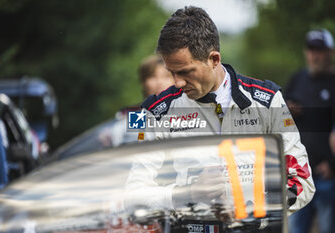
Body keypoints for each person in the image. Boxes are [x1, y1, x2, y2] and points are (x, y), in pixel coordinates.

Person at [125, 5, 315, 224]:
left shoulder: (268, 100)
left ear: (214, 59)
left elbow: (301, 181)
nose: (177, 82)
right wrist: (188, 193)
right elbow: (132, 196)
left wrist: (248, 214)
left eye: (186, 72)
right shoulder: (152, 112)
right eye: (172, 72)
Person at [285, 29, 335, 233]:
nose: (314, 55)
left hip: (326, 175)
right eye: (311, 50)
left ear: (330, 52)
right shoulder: (298, 78)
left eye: (319, 50)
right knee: (296, 229)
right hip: (298, 175)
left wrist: (332, 164)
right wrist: (289, 109)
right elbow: (279, 110)